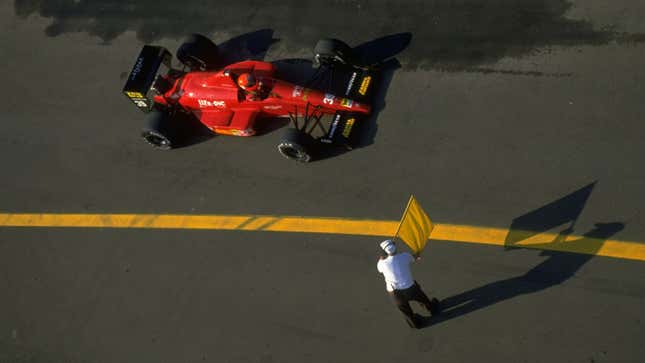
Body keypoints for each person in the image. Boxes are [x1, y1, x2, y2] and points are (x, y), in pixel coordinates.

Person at [377, 239, 440, 328]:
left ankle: (415, 324)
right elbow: (415, 257)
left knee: (406, 311)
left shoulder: (382, 264)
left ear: (385, 251)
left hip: (395, 293)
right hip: (411, 288)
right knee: (423, 298)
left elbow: (380, 268)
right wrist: (418, 252)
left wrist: (382, 258)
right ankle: (432, 309)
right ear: (395, 248)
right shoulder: (405, 256)